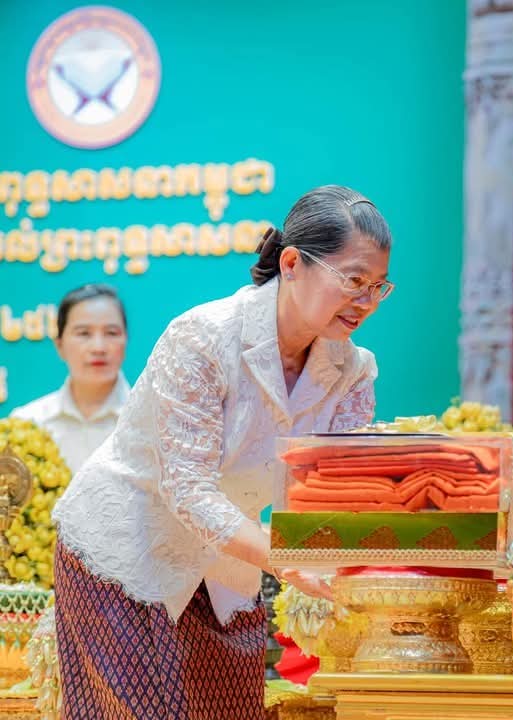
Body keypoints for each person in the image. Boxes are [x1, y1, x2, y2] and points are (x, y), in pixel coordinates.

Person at [51, 185, 394, 719]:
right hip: (127, 552)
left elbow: (334, 491)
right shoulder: (203, 337)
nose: (366, 302)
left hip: (228, 565)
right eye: (353, 280)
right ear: (292, 264)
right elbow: (187, 489)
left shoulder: (353, 371)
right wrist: (288, 560)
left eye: (378, 286)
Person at [11, 284, 130, 472]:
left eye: (111, 333)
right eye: (84, 333)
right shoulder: (27, 423)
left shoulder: (150, 422)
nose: (98, 347)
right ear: (59, 345)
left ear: (126, 341)